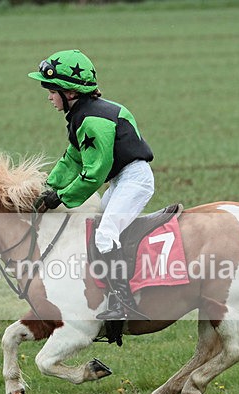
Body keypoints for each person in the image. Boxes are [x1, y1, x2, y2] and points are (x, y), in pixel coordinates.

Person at [28, 49, 155, 321]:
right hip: (122, 179)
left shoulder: (93, 119)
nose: (49, 97)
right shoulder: (81, 116)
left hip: (134, 180)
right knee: (97, 228)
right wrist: (46, 188)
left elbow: (94, 173)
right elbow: (72, 159)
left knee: (105, 234)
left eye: (52, 90)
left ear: (70, 92)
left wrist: (60, 197)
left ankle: (124, 304)